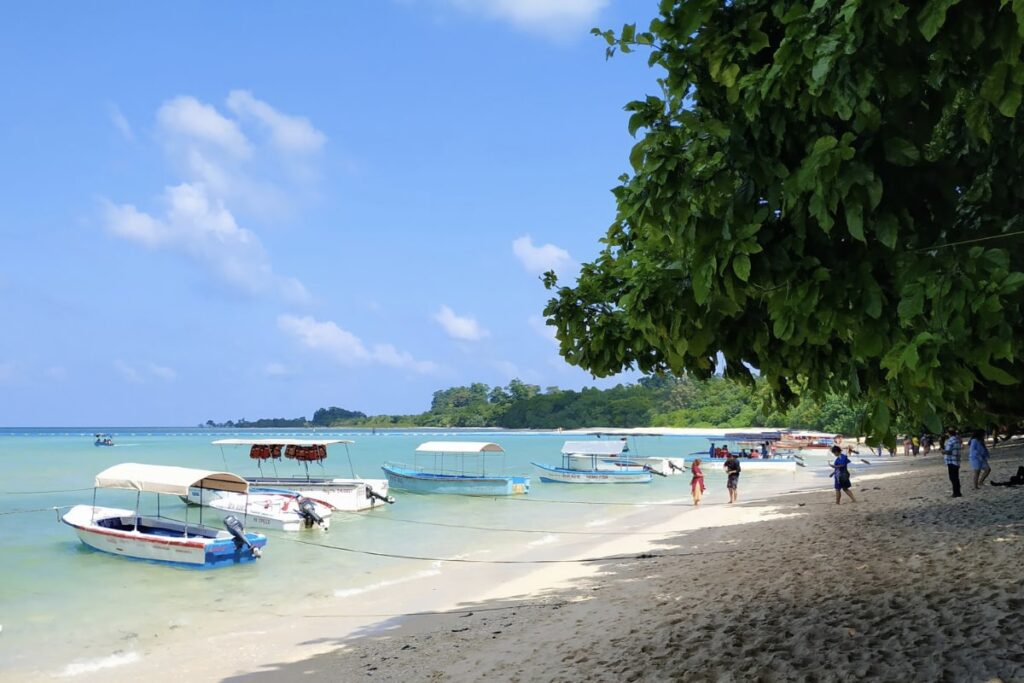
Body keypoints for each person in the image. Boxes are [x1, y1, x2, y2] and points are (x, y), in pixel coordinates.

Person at [943, 428, 963, 498]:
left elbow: (948, 451)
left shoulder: (950, 440)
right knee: (956, 478)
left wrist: (943, 451)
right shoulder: (957, 440)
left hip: (951, 461)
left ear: (948, 433)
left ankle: (955, 493)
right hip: (956, 460)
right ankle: (958, 492)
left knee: (953, 478)